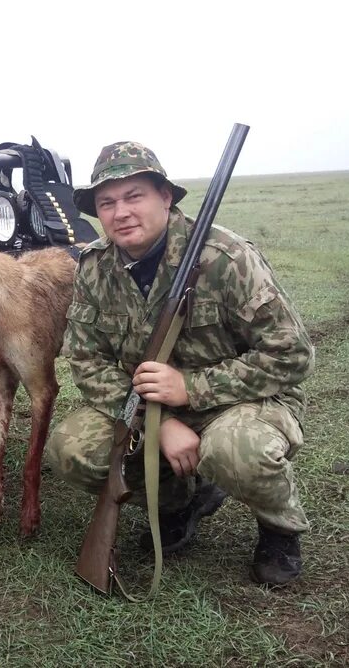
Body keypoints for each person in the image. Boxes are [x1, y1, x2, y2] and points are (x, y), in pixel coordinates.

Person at [45, 141, 315, 586]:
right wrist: (162, 421)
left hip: (241, 400)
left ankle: (279, 529)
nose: (121, 212)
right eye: (107, 203)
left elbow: (291, 354)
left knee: (236, 451)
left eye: (135, 196)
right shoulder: (94, 266)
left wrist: (192, 389)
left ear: (165, 197)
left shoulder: (225, 258)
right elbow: (86, 360)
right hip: (151, 404)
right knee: (72, 450)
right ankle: (178, 502)